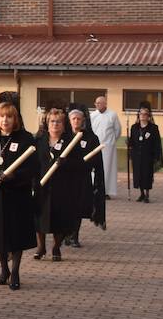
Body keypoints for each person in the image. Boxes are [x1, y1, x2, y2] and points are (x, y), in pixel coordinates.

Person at [0, 101, 38, 291]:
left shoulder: (26, 139)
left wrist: (15, 176)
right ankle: (4, 269)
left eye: (9, 116)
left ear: (15, 119)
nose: (5, 120)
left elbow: (33, 167)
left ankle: (16, 271)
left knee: (16, 234)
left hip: (18, 195)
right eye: (2, 116)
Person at [34, 109, 88, 262]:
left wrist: (67, 163)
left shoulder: (71, 142)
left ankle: (56, 246)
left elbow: (80, 165)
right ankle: (41, 247)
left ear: (64, 125)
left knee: (60, 219)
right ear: (47, 123)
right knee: (40, 218)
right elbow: (33, 163)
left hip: (62, 187)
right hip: (42, 185)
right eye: (52, 121)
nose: (55, 124)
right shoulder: (39, 141)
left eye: (58, 121)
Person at [66, 108, 105, 247]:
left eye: (79, 119)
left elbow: (96, 159)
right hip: (66, 179)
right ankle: (65, 234)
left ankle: (75, 236)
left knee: (78, 208)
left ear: (83, 121)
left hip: (82, 178)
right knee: (66, 207)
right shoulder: (64, 136)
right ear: (69, 121)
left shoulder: (90, 137)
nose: (76, 121)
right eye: (73, 119)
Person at [128, 105, 163, 203]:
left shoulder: (153, 128)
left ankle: (147, 194)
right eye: (141, 114)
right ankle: (141, 194)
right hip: (137, 155)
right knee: (138, 174)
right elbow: (132, 141)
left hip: (148, 155)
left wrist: (156, 155)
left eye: (145, 114)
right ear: (138, 115)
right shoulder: (134, 127)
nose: (143, 116)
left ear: (148, 116)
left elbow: (157, 142)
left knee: (147, 175)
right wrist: (129, 143)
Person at [89, 95, 122, 199]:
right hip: (94, 146)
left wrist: (111, 142)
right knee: (93, 168)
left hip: (108, 147)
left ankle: (106, 191)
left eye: (99, 103)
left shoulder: (112, 115)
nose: (97, 105)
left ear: (105, 103)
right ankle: (94, 189)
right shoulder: (92, 115)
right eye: (96, 103)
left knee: (107, 169)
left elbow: (117, 130)